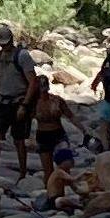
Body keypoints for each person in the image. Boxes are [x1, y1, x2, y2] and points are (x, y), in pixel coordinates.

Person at [0, 26, 41, 181]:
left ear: (11, 40)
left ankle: (23, 173)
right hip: (3, 102)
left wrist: (25, 106)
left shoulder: (23, 56)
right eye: (2, 44)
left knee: (19, 140)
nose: (4, 46)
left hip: (19, 101)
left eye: (6, 43)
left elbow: (33, 82)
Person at [29, 75, 79, 206]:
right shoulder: (32, 103)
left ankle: (62, 193)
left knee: (65, 165)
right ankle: (52, 197)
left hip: (58, 134)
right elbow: (26, 118)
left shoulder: (57, 101)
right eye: (41, 87)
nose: (43, 90)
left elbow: (71, 116)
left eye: (44, 86)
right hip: (43, 135)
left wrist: (84, 130)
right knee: (48, 170)